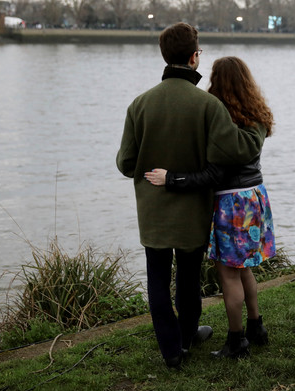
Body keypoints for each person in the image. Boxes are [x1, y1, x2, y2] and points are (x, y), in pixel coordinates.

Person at [116, 23, 265, 369]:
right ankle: (186, 337)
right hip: (193, 209)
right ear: (194, 57)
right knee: (188, 276)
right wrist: (258, 128)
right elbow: (235, 150)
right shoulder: (208, 106)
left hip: (152, 212)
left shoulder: (139, 105)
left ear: (165, 56)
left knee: (156, 279)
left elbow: (126, 163)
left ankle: (170, 350)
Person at [144, 56, 275, 359]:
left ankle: (237, 340)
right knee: (244, 269)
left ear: (217, 80)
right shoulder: (255, 114)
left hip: (231, 200)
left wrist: (172, 177)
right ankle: (256, 327)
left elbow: (214, 173)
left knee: (227, 274)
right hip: (255, 195)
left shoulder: (218, 116)